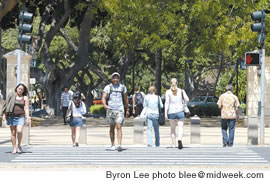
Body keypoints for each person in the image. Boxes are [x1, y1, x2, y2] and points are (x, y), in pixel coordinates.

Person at [102, 72, 129, 151]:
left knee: (119, 126)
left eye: (117, 78)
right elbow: (103, 97)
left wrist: (127, 109)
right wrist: (104, 105)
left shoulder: (123, 87)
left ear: (119, 79)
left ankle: (119, 144)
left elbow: (125, 99)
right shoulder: (108, 87)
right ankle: (112, 144)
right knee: (112, 127)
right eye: (114, 78)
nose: (115, 79)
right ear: (112, 79)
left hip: (120, 109)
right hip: (111, 109)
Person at [0, 83, 31, 154]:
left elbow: (26, 108)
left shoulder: (25, 98)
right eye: (19, 88)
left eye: (22, 89)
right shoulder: (11, 96)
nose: (20, 90)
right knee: (13, 133)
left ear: (23, 91)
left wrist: (28, 118)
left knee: (19, 131)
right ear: (16, 88)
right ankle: (14, 147)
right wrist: (4, 114)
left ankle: (19, 145)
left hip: (21, 116)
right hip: (11, 116)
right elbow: (6, 105)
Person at [165, 78, 189, 149]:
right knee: (180, 127)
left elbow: (167, 102)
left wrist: (165, 113)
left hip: (171, 112)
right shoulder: (181, 91)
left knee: (172, 129)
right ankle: (179, 139)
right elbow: (187, 99)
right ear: (177, 83)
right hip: (180, 111)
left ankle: (173, 144)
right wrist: (184, 104)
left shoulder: (168, 92)